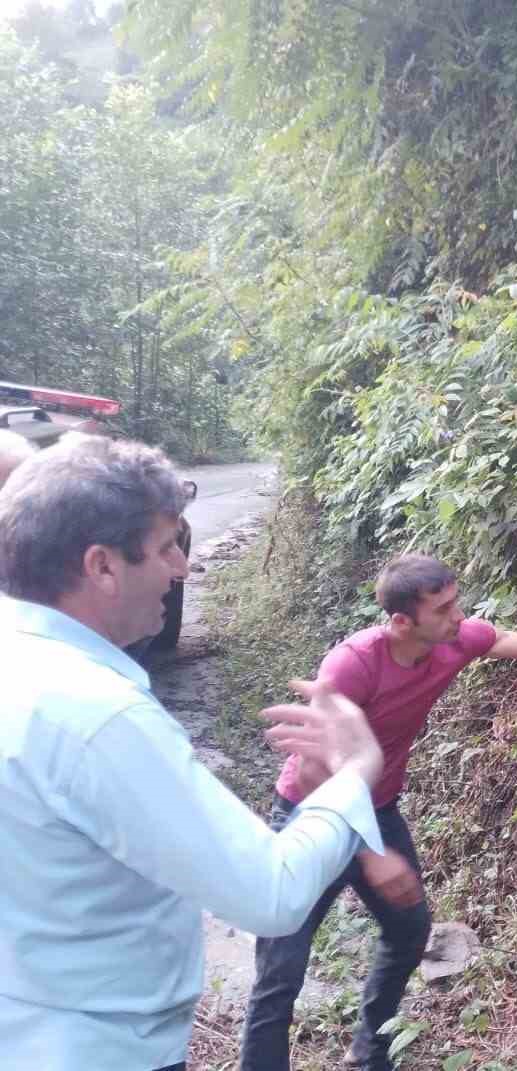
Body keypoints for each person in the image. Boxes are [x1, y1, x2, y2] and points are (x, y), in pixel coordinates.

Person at [0, 436, 388, 1071]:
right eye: (164, 549)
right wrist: (354, 773)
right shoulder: (98, 715)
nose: (182, 568)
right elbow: (270, 893)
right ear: (100, 566)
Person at [239, 553, 517, 1071]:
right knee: (280, 971)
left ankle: (369, 1052)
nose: (459, 617)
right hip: (310, 816)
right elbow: (311, 771)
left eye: (457, 603)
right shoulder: (354, 664)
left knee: (410, 931)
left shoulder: (458, 640)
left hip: (379, 809)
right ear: (401, 621)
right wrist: (372, 855)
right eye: (444, 609)